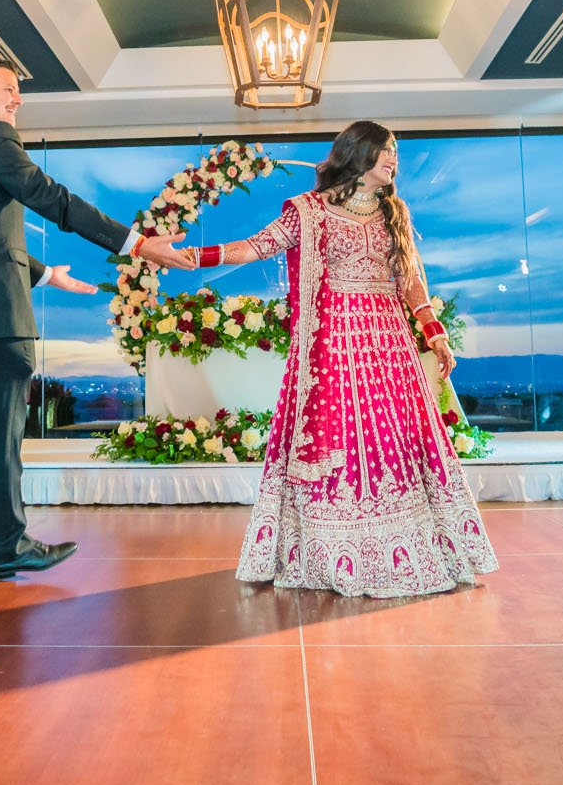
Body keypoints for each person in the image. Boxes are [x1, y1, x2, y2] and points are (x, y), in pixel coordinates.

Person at [0, 57, 193, 614]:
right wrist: (138, 244)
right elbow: (54, 199)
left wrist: (47, 274)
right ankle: (8, 548)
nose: (17, 99)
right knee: (0, 440)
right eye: (9, 88)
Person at [192, 122, 499, 597]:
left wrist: (435, 333)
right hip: (334, 347)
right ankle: (332, 550)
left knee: (395, 441)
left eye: (396, 151)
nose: (394, 159)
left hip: (389, 345)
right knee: (340, 439)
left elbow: (411, 280)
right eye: (387, 151)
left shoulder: (394, 212)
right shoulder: (309, 212)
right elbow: (254, 247)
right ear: (360, 153)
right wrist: (189, 257)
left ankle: (408, 546)